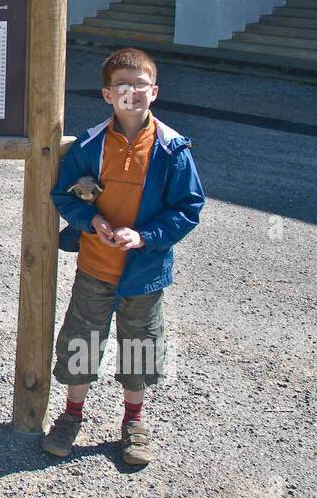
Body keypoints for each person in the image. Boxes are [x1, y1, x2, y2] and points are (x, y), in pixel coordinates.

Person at [44, 47, 205, 466]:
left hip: (145, 272)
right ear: (106, 94)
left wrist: (146, 235)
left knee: (140, 345)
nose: (131, 92)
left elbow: (188, 209)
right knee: (82, 340)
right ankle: (71, 415)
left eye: (139, 84)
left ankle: (134, 421)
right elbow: (64, 194)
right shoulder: (90, 144)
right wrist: (91, 220)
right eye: (121, 86)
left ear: (154, 91)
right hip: (95, 266)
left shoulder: (173, 149)